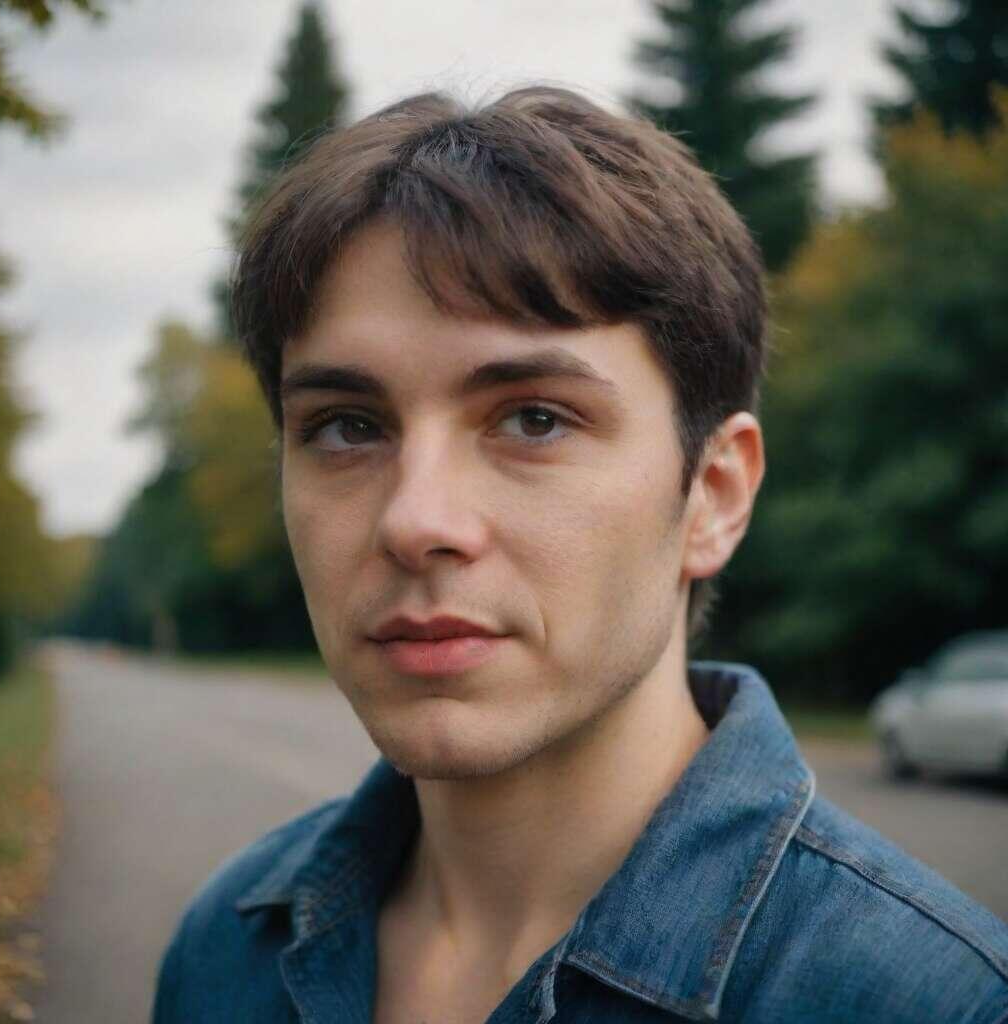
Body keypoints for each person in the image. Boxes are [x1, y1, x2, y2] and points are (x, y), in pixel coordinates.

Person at [151, 87, 1008, 1023]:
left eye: (534, 419)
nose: (415, 520)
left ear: (714, 495)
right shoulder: (225, 951)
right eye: (347, 427)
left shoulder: (932, 1003)